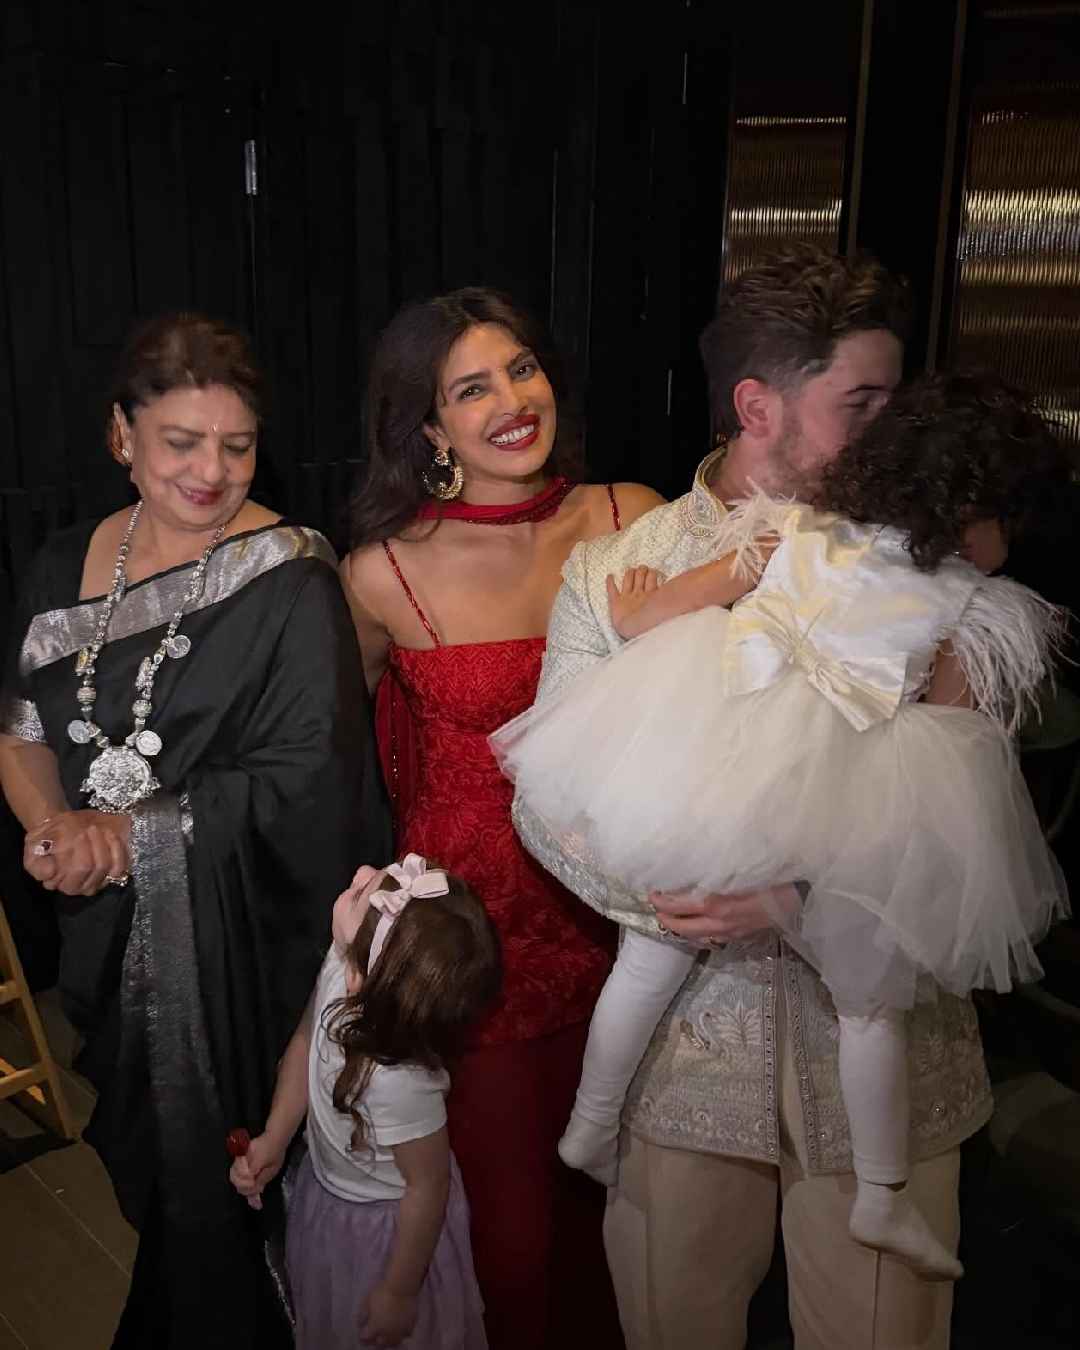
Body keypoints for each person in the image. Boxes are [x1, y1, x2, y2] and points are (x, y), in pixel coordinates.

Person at [512, 245, 1001, 1350]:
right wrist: (694, 889)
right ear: (758, 406)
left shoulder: (936, 544)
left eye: (895, 395)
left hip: (887, 1035)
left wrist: (801, 896)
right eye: (861, 401)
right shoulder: (626, 570)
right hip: (689, 1052)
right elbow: (552, 801)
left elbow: (975, 780)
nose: (892, 423)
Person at [0, 313, 390, 1349]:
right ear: (121, 435)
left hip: (236, 941)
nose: (211, 472)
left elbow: (310, 778)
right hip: (98, 931)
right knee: (153, 1180)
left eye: (237, 444)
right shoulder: (56, 566)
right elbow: (22, 733)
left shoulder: (291, 575)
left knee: (216, 1202)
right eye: (181, 442)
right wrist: (53, 833)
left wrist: (132, 838)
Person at [339, 286, 663, 1350]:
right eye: (471, 388)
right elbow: (351, 749)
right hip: (483, 953)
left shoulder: (630, 517)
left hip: (635, 921)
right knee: (517, 1247)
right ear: (431, 429)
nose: (514, 400)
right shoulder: (382, 575)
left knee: (636, 1227)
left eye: (522, 369)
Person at [229, 853, 501, 1350]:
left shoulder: (399, 1084)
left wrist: (399, 1291)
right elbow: (309, 1037)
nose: (356, 874)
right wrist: (276, 1134)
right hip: (329, 1199)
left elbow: (428, 1187)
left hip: (387, 1237)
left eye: (362, 893)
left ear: (362, 979)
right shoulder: (344, 957)